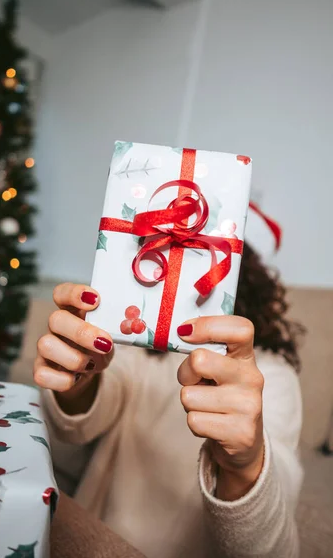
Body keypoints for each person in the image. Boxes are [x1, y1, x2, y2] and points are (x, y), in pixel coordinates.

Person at [34, 236, 304, 558]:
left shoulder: (273, 376)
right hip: (101, 544)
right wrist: (77, 375)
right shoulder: (140, 352)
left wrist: (246, 466)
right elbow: (97, 404)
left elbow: (273, 544)